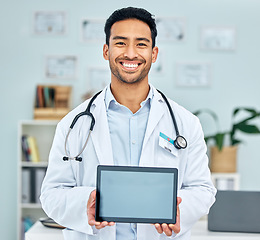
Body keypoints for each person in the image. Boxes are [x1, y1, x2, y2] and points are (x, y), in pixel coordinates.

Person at [40, 7, 216, 240]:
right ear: (106, 50)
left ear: (154, 54)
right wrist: (87, 202)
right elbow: (51, 194)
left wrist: (177, 209)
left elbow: (203, 190)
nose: (131, 54)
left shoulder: (186, 123)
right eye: (121, 43)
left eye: (141, 44)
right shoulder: (73, 124)